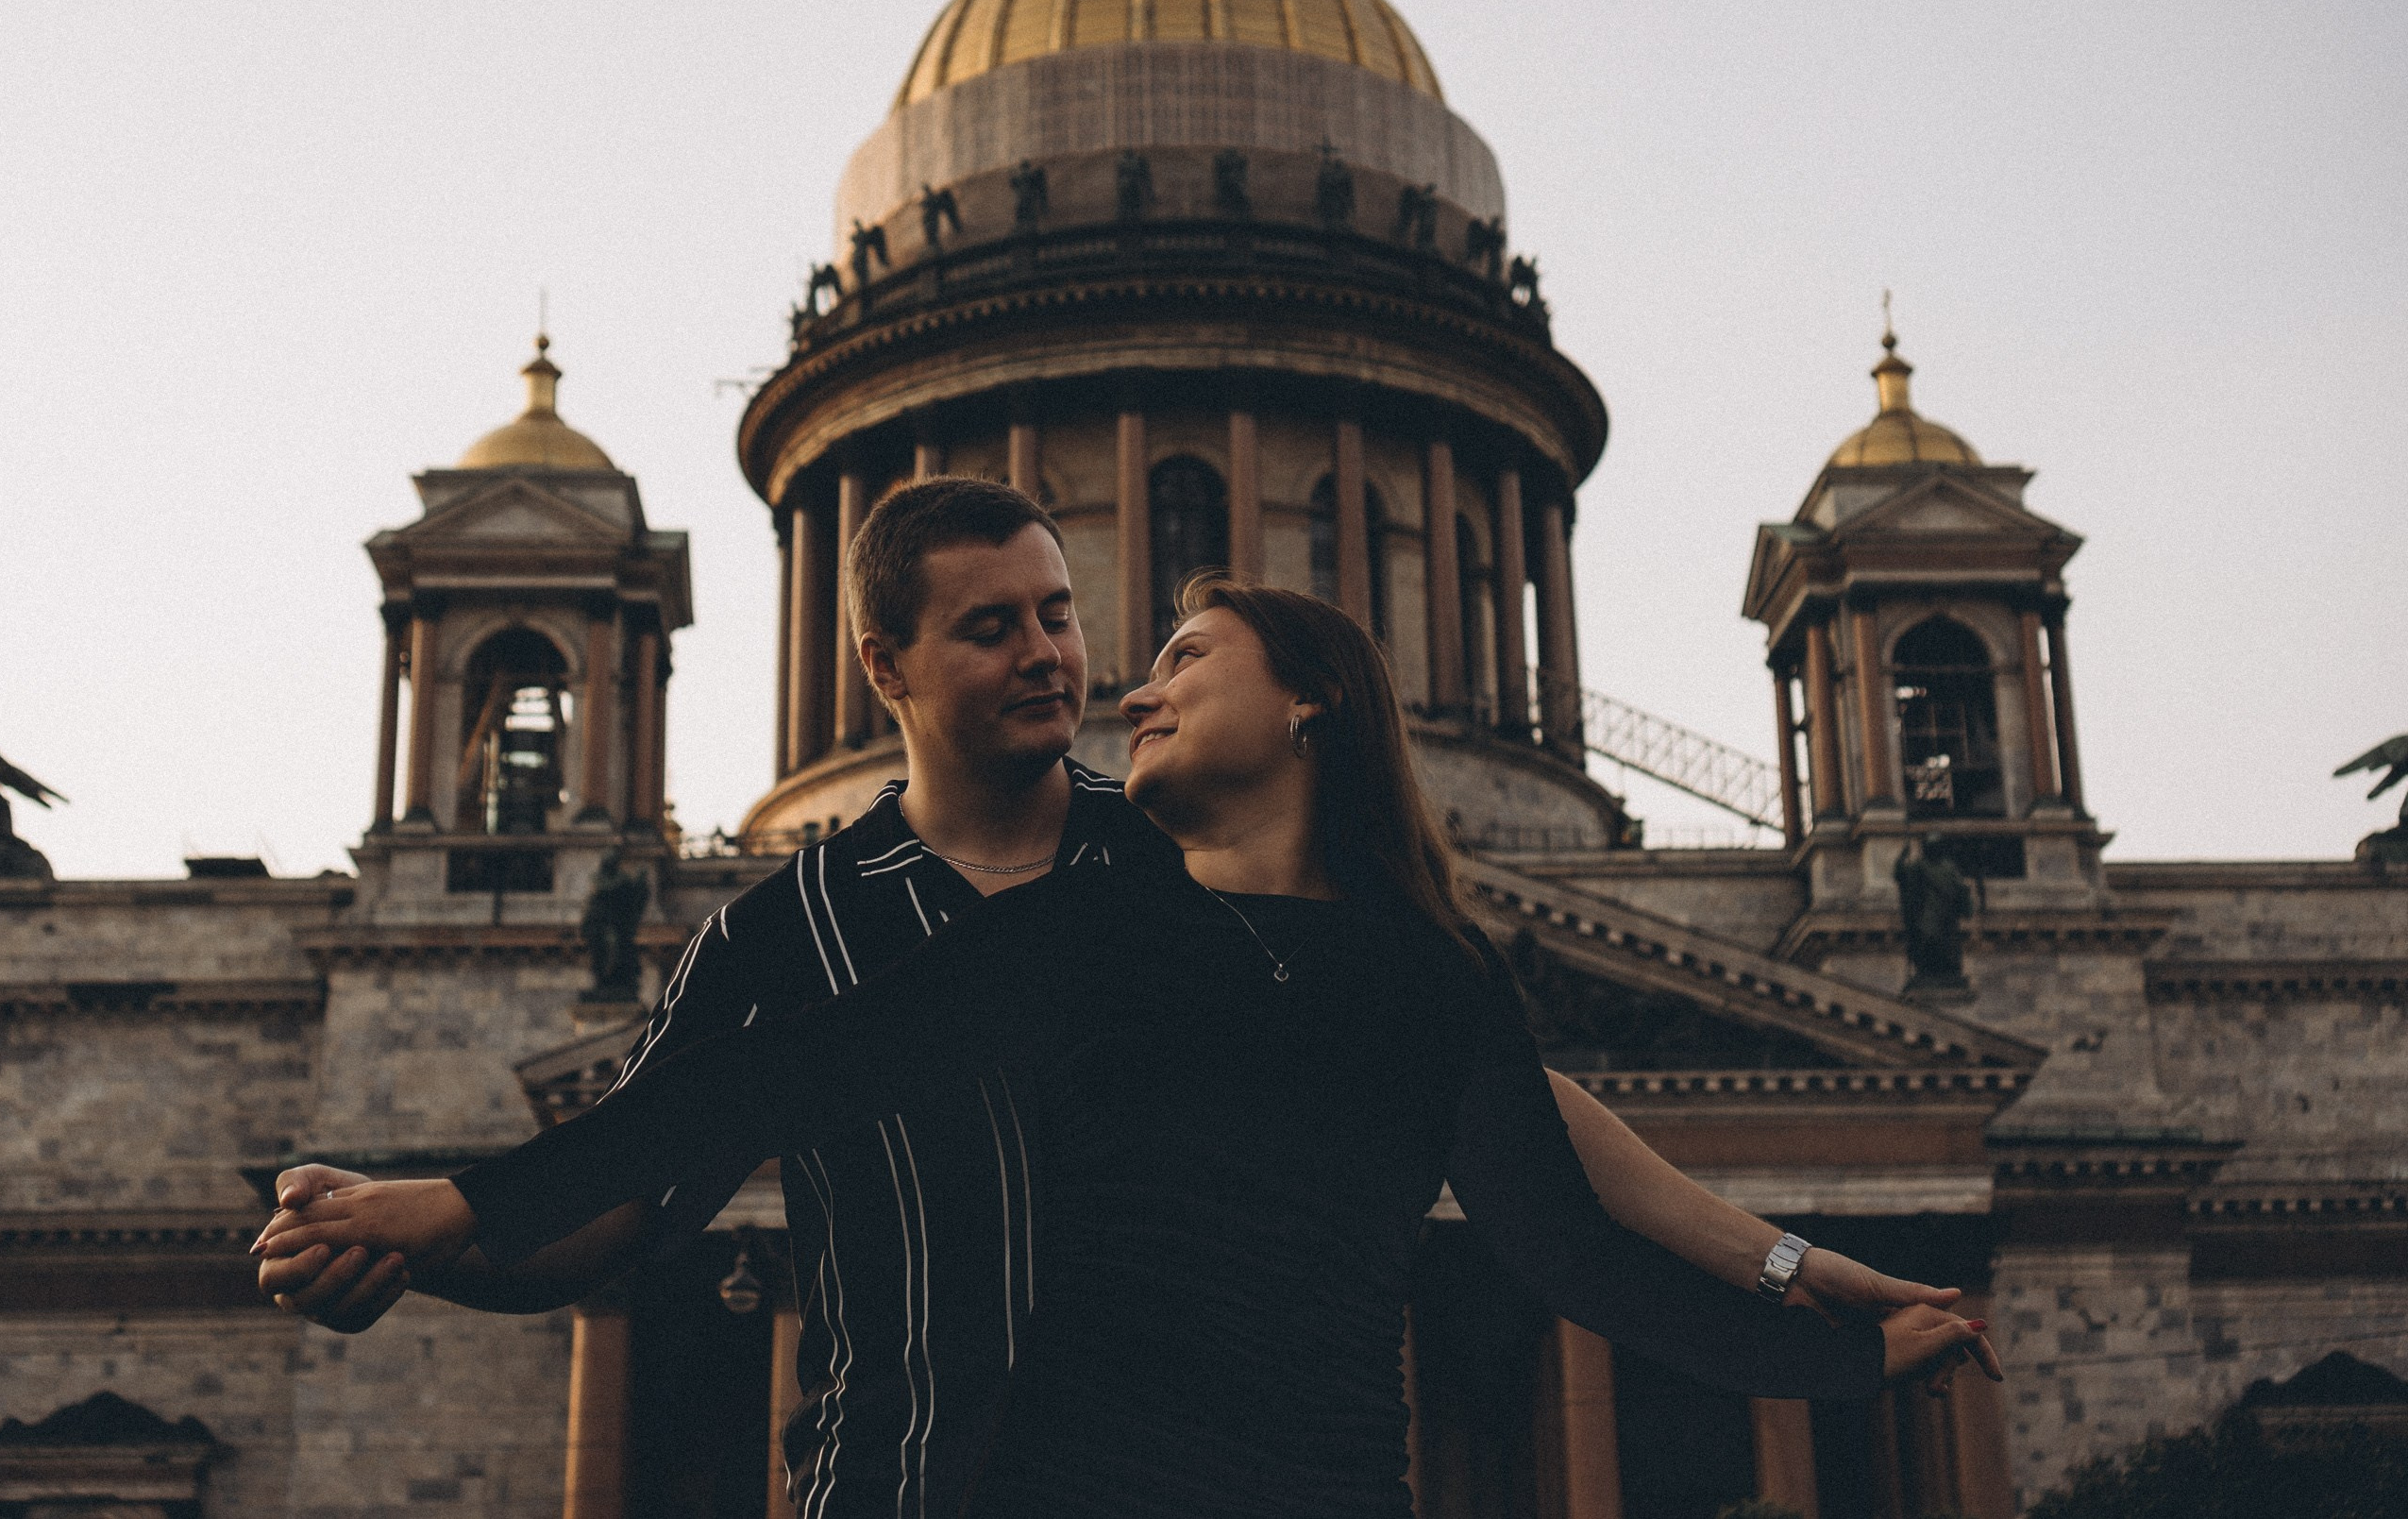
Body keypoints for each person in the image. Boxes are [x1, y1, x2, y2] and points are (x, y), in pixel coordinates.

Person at [256, 575, 1994, 1519]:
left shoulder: (1425, 974)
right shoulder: (1075, 925)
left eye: (1180, 654)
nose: (1126, 687)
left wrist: (1835, 1326)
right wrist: (446, 1213)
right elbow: (759, 1084)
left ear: (1309, 695)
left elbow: (1556, 1231)